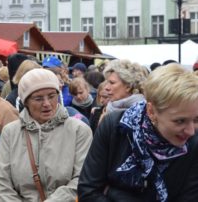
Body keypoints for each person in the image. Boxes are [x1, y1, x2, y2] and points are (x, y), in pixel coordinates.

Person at [78, 63, 198, 201]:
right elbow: (87, 192)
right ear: (151, 111)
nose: (190, 131)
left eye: (196, 119)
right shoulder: (114, 127)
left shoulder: (194, 146)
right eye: (180, 121)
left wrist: (114, 194)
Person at [0, 68, 93, 201]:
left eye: (52, 96)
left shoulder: (79, 130)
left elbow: (82, 178)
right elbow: (2, 182)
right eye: (38, 98)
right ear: (26, 102)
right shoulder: (10, 132)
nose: (46, 104)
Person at [99, 59, 147, 125]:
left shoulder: (142, 114)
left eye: (112, 83)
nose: (106, 88)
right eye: (107, 82)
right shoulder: (110, 108)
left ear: (128, 87)